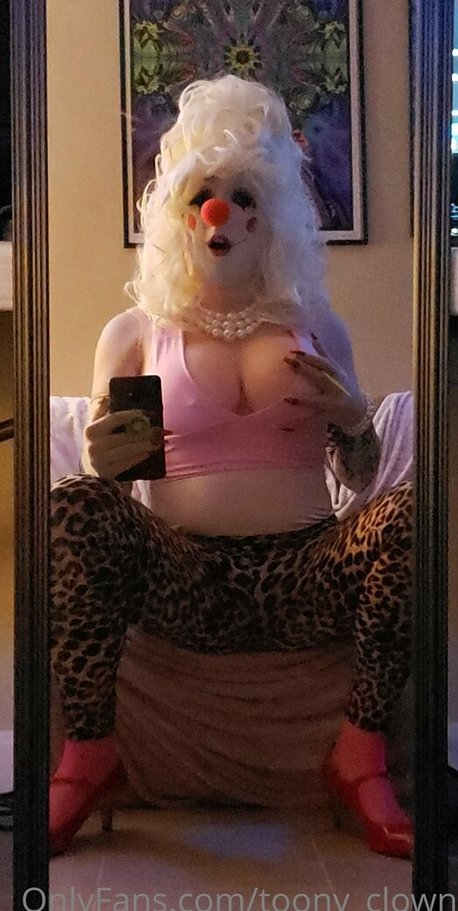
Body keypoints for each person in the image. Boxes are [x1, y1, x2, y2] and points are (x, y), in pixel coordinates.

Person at [49, 74, 413, 859]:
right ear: (180, 216)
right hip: (184, 575)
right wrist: (102, 463)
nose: (221, 212)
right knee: (72, 500)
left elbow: (361, 475)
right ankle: (88, 758)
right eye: (203, 195)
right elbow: (106, 499)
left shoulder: (317, 326)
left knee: (413, 515)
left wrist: (355, 418)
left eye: (242, 195)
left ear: (269, 216)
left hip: (303, 571)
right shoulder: (133, 332)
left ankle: (360, 756)